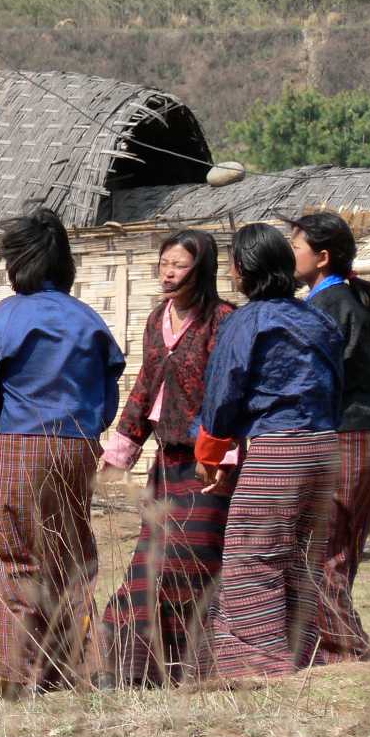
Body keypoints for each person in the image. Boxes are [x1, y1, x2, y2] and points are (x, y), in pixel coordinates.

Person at [0, 207, 125, 694]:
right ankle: (92, 670)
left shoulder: (7, 318)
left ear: (17, 264)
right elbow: (109, 397)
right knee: (72, 554)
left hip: (24, 446)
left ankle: (17, 676)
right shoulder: (88, 319)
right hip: (80, 445)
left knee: (18, 556)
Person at [195, 222, 343, 679]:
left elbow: (223, 395)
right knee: (303, 557)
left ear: (239, 270)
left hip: (279, 450)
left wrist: (211, 454)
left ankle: (254, 664)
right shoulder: (317, 317)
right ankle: (302, 654)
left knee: (252, 554)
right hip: (325, 447)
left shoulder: (247, 321)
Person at [98, 230, 236, 686]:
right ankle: (136, 668)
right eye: (164, 265)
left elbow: (227, 394)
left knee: (194, 564)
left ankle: (202, 666)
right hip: (166, 462)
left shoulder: (222, 320)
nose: (169, 273)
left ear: (202, 270)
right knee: (150, 564)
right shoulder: (158, 317)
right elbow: (145, 384)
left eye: (179, 265)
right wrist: (121, 450)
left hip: (208, 467)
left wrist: (219, 453)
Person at [289, 212, 370, 663]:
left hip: (347, 436)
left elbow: (318, 381)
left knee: (323, 549)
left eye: (296, 247)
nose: (291, 254)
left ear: (322, 257)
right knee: (338, 548)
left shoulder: (329, 309)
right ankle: (329, 645)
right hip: (365, 434)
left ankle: (347, 650)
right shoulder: (343, 301)